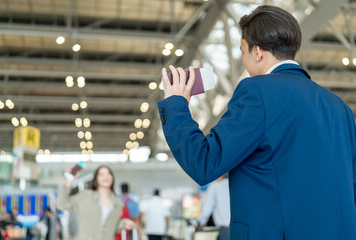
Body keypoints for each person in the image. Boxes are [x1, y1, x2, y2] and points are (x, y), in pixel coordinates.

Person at [158, 5, 356, 240]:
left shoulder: (258, 91)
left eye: (243, 51)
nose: (244, 60)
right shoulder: (339, 108)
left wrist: (176, 104)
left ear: (258, 52)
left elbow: (204, 162)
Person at [57, 165, 132, 240]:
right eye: (101, 174)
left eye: (108, 173)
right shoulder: (85, 196)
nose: (106, 176)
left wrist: (123, 223)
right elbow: (62, 203)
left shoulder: (118, 203)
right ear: (96, 178)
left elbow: (112, 228)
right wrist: (69, 182)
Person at [198, 175, 230, 240]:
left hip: (225, 230)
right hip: (239, 228)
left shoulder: (215, 186)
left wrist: (201, 223)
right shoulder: (233, 184)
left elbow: (207, 208)